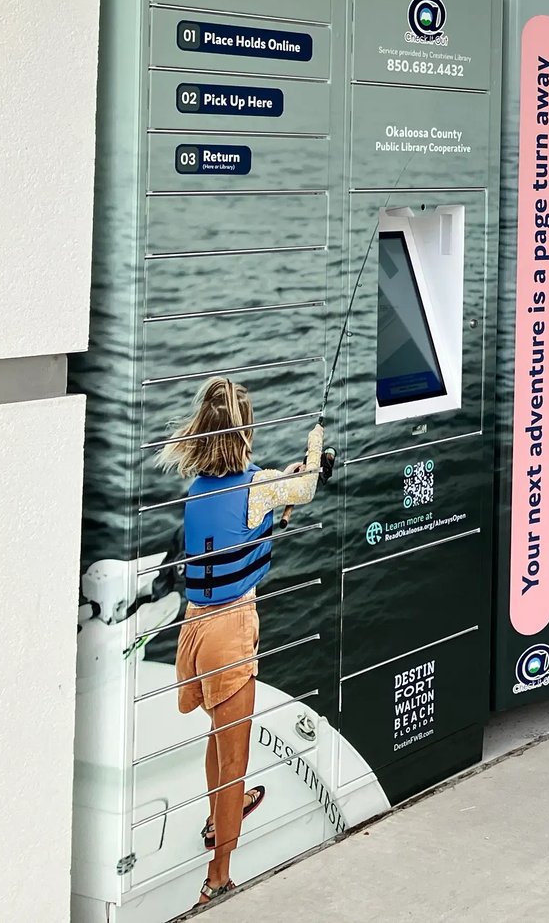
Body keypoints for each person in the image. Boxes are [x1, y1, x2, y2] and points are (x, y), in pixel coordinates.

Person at [159, 378, 325, 908]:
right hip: (230, 634)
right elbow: (304, 487)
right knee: (235, 762)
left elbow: (276, 492)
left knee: (218, 736)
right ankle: (218, 878)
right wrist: (316, 449)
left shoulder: (198, 491)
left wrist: (290, 480)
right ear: (246, 430)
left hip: (196, 629)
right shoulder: (259, 488)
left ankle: (217, 816)